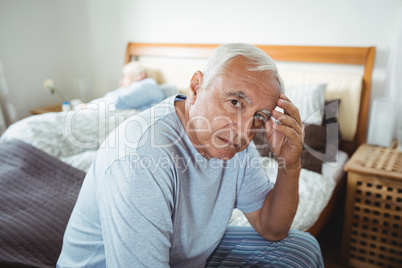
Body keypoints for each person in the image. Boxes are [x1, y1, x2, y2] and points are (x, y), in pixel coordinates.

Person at [57, 43, 324, 267]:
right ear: (196, 88)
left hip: (181, 255)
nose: (244, 130)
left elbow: (272, 228)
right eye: (235, 103)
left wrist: (290, 164)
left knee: (302, 248)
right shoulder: (142, 155)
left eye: (259, 116)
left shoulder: (237, 146)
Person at [89, 62, 166, 111]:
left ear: (140, 76)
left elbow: (117, 101)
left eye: (125, 77)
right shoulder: (139, 87)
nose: (120, 82)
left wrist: (90, 106)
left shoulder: (148, 85)